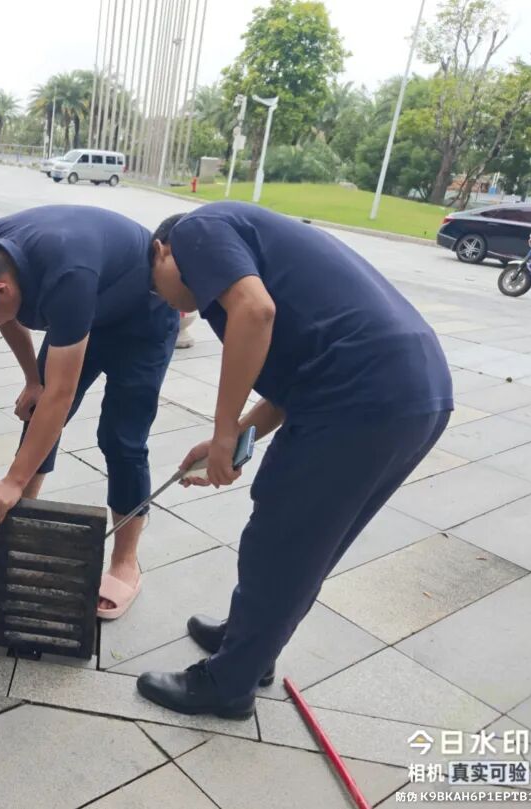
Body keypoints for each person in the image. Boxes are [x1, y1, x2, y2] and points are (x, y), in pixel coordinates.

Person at [136, 202, 453, 719]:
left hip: (362, 395)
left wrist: (223, 430)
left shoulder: (196, 230)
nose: (166, 303)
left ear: (161, 252)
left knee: (281, 538)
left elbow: (256, 312)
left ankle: (228, 684)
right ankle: (250, 647)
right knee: (306, 544)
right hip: (411, 392)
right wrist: (234, 436)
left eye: (155, 288)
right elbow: (291, 383)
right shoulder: (245, 241)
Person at [0, 205, 179, 619]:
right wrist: (32, 380)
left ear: (0, 291)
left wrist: (12, 478)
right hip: (83, 308)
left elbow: (61, 393)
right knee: (38, 415)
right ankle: (20, 521)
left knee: (122, 439)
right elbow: (10, 325)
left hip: (142, 319)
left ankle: (125, 560)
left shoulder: (68, 273)